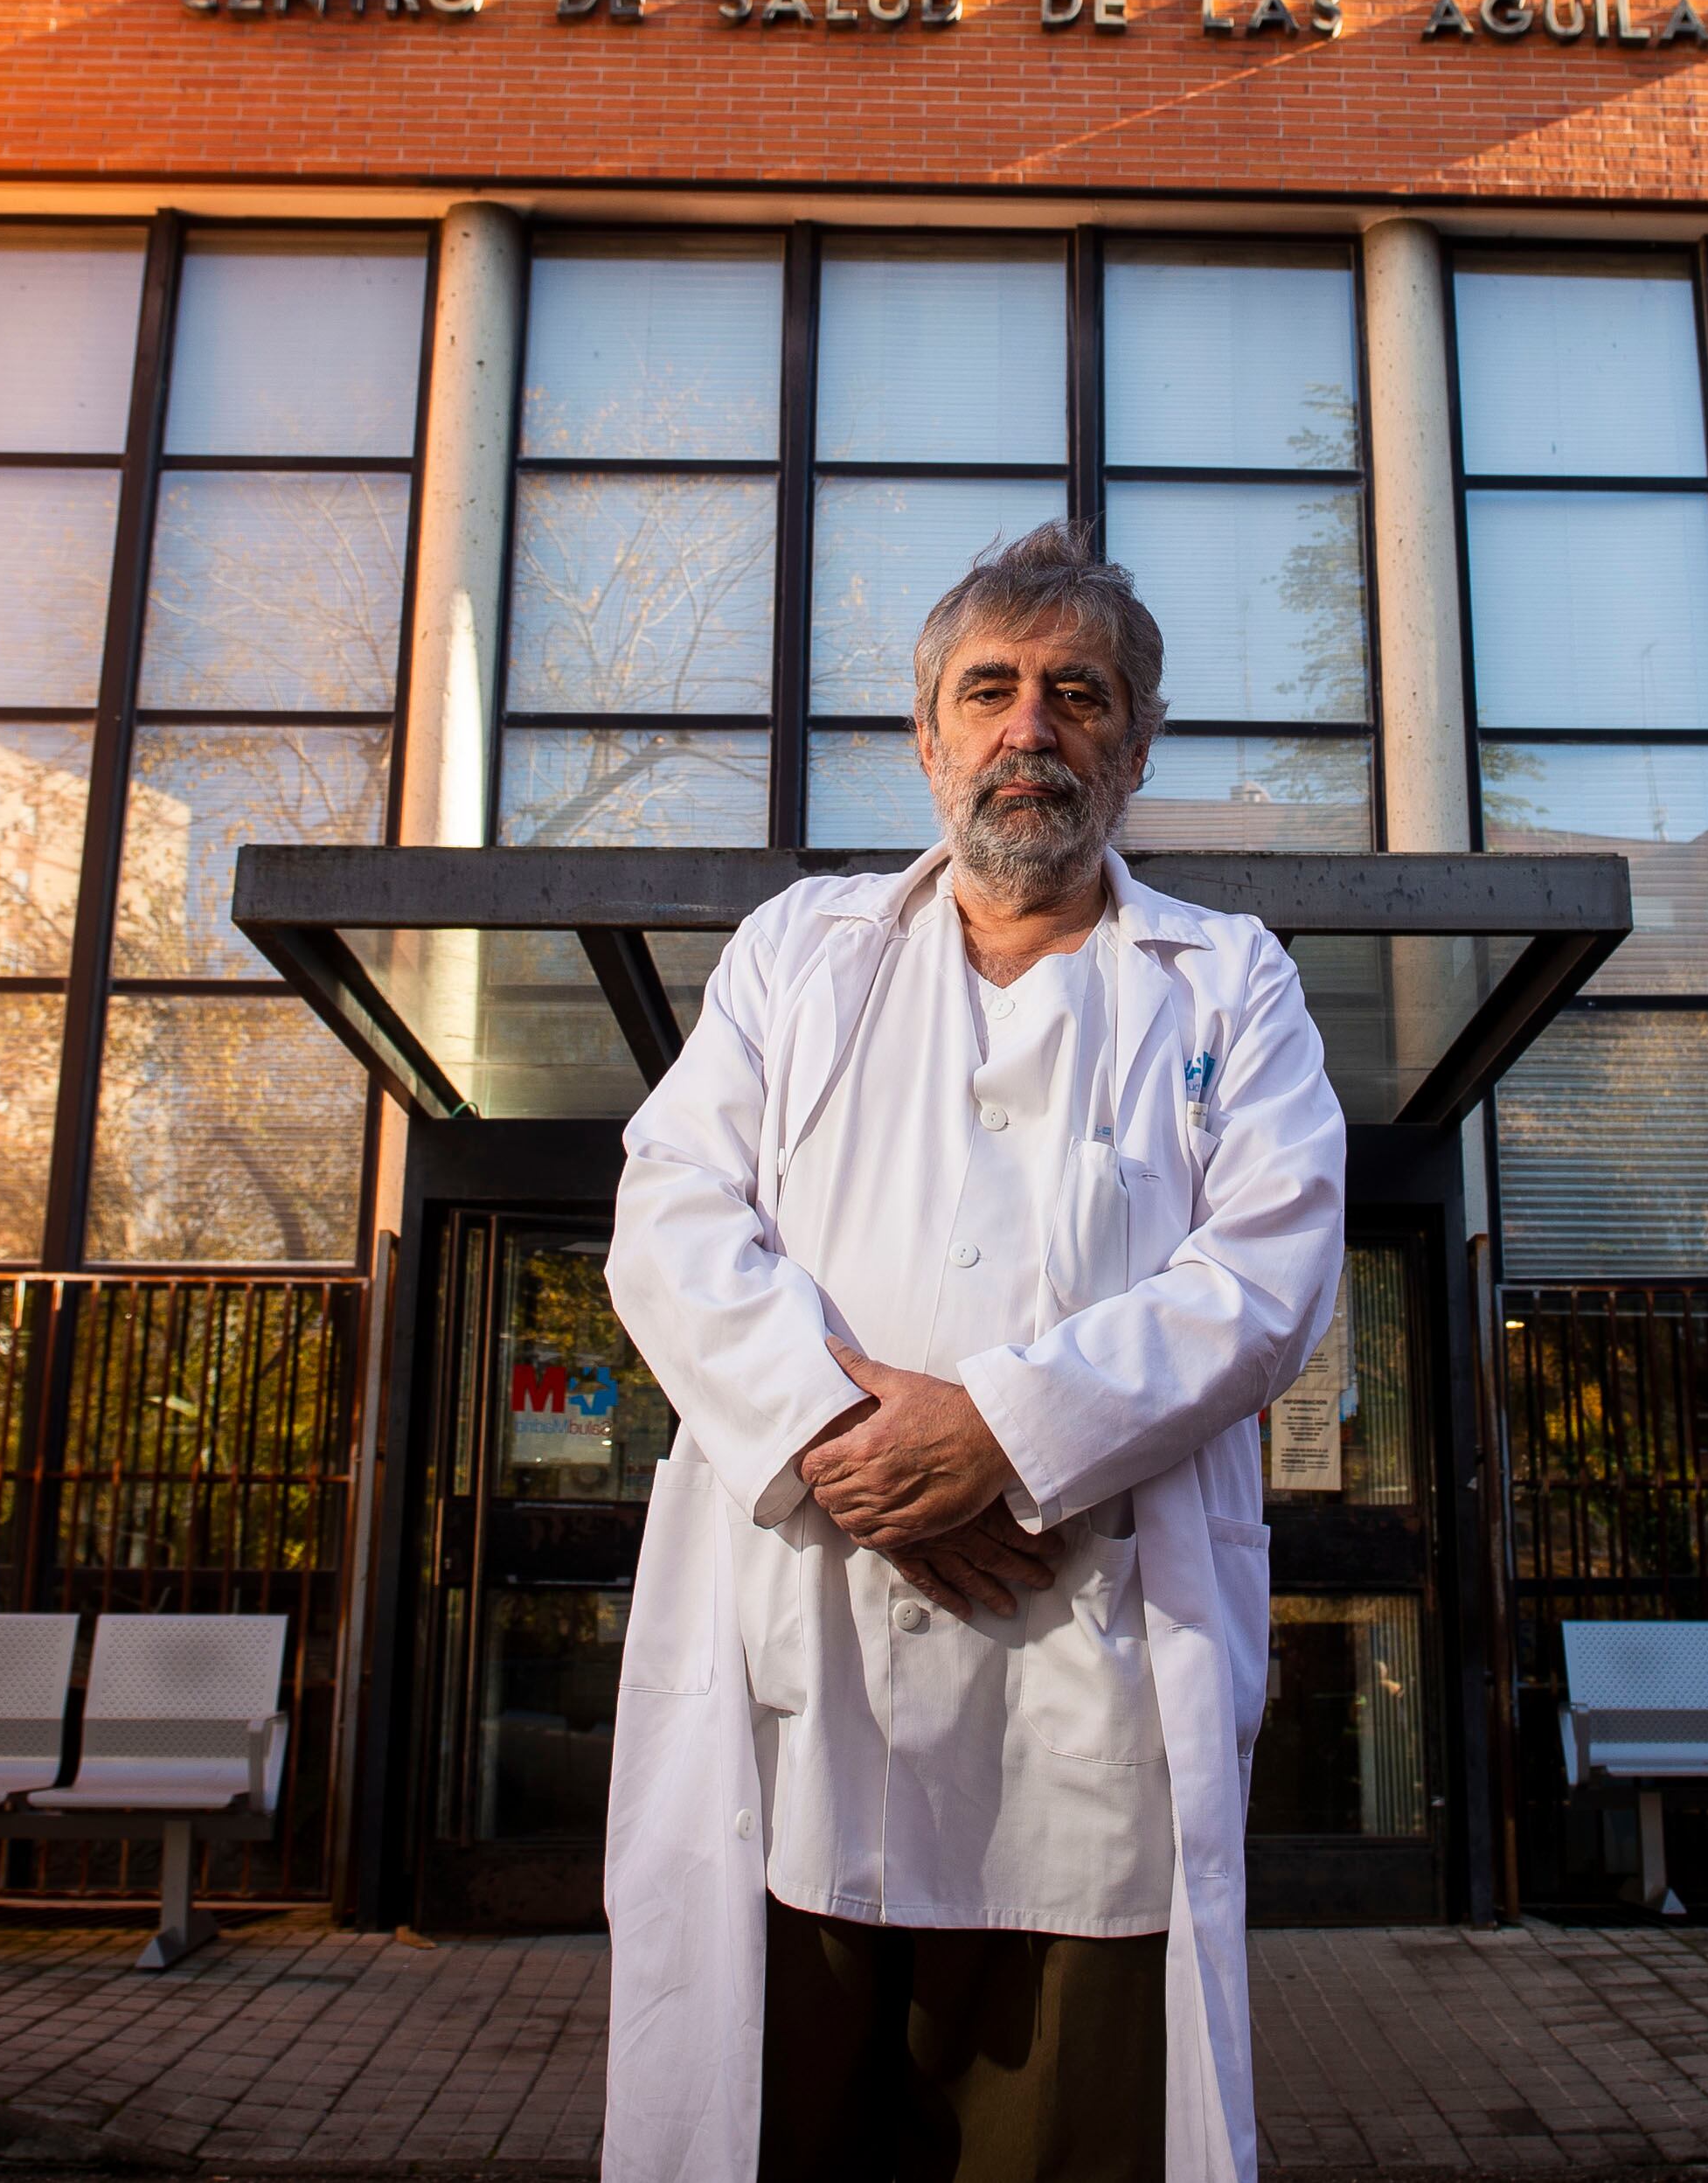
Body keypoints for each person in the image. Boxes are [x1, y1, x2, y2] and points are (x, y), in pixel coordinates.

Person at [598, 520, 1347, 2183]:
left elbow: (1268, 1271)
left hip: (1080, 1712)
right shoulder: (799, 954)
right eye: (989, 690)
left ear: (1135, 742)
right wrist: (853, 1446)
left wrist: (1000, 1436)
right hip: (809, 1674)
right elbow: (669, 1210)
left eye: (1076, 694)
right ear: (927, 736)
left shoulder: (1231, 983)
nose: (1031, 728)